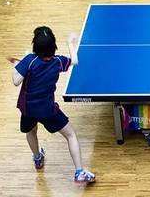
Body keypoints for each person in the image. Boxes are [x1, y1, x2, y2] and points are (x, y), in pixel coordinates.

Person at [8, 26, 96, 184]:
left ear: (35, 46)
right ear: (53, 46)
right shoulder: (58, 61)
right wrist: (70, 42)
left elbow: (16, 81)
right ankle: (79, 172)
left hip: (28, 109)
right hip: (47, 109)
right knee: (71, 135)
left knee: (31, 131)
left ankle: (37, 158)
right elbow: (74, 61)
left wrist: (17, 67)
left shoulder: (29, 60)